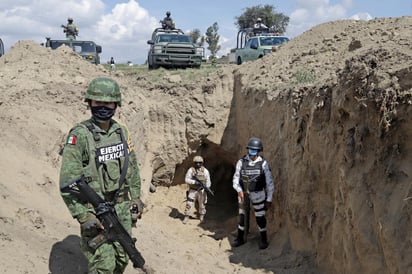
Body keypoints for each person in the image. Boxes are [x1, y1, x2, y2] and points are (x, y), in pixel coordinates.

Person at [59, 77, 144, 273]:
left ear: (116, 104)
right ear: (90, 103)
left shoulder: (121, 132)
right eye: (98, 103)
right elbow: (67, 182)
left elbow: (132, 167)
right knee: (104, 265)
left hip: (121, 209)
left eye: (108, 103)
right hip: (96, 211)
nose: (103, 107)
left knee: (123, 259)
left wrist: (136, 198)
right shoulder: (79, 135)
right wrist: (84, 215)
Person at [232, 137, 274, 249]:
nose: (252, 153)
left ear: (259, 151)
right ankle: (240, 238)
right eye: (250, 150)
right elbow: (235, 179)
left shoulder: (263, 164)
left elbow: (269, 183)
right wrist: (239, 190)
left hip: (258, 194)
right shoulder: (241, 162)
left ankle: (263, 239)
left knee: (260, 217)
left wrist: (269, 199)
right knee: (241, 217)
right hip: (243, 194)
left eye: (254, 151)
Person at [183, 156, 212, 224]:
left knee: (202, 204)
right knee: (189, 203)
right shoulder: (191, 170)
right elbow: (186, 179)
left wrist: (206, 187)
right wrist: (194, 182)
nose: (198, 164)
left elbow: (208, 181)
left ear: (202, 163)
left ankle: (202, 216)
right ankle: (186, 216)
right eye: (196, 163)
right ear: (194, 163)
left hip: (202, 191)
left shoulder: (205, 171)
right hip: (193, 190)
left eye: (200, 163)